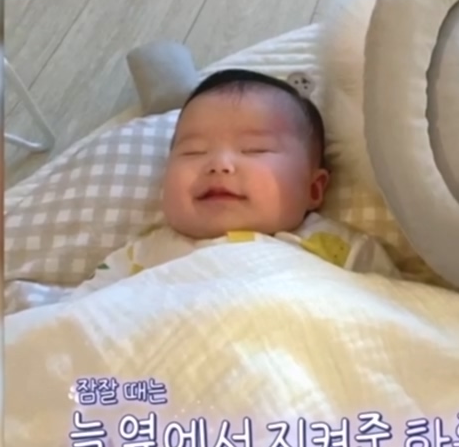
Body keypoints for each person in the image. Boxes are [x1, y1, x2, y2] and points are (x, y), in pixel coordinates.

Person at [73, 69, 397, 298]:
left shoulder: (342, 249)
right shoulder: (140, 257)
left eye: (254, 150)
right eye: (194, 151)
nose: (219, 165)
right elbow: (77, 324)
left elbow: (399, 315)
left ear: (313, 189)